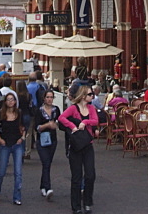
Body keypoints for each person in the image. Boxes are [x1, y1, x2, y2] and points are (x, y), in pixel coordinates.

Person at [59, 85, 99, 214]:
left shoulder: (91, 108)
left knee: (90, 175)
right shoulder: (73, 108)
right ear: (83, 96)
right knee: (76, 177)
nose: (92, 96)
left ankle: (87, 202)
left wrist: (85, 122)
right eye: (89, 94)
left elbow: (95, 121)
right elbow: (61, 118)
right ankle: (76, 206)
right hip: (76, 146)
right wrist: (72, 126)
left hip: (88, 144)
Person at [0, 92, 25, 205]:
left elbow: (23, 127)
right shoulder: (1, 113)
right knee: (1, 172)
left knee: (18, 172)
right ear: (5, 102)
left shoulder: (19, 113)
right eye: (8, 99)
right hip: (5, 144)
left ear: (15, 102)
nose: (10, 101)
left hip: (17, 144)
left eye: (12, 99)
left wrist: (22, 138)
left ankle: (17, 196)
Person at [35, 88, 61, 200]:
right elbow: (37, 128)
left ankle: (43, 185)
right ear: (44, 98)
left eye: (51, 97)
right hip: (42, 140)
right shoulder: (39, 111)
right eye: (47, 97)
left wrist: (57, 125)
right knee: (45, 162)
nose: (50, 99)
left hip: (53, 140)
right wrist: (47, 125)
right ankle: (48, 187)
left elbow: (60, 122)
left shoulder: (56, 110)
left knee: (48, 163)